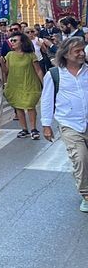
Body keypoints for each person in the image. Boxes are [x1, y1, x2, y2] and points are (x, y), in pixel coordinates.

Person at [41, 37, 88, 212]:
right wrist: (46, 125)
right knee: (81, 158)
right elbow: (46, 101)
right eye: (77, 51)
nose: (82, 53)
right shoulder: (54, 74)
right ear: (67, 54)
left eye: (82, 50)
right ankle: (86, 194)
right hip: (70, 124)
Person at [3, 32, 44, 140]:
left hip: (30, 83)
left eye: (15, 40)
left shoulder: (30, 55)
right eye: (11, 41)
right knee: (18, 106)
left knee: (30, 105)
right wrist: (0, 62)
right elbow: (6, 71)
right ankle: (24, 129)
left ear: (22, 42)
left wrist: (44, 84)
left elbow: (38, 70)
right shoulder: (9, 55)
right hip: (15, 84)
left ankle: (34, 129)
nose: (12, 42)